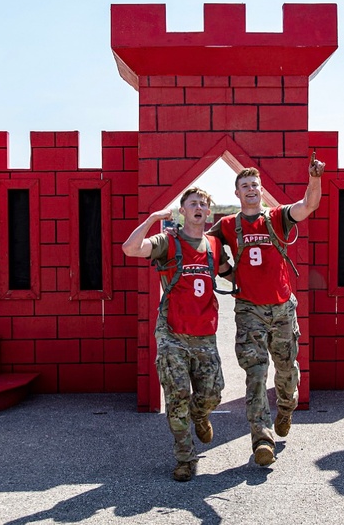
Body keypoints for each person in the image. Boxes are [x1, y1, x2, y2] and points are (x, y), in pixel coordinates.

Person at [206, 152, 325, 466]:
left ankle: (286, 408)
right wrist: (228, 272)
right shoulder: (228, 224)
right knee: (255, 376)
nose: (250, 189)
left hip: (283, 310)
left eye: (254, 184)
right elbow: (204, 247)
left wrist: (315, 178)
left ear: (261, 189)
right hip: (249, 311)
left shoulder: (277, 217)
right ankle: (262, 438)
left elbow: (308, 205)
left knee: (286, 372)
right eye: (244, 185)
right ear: (236, 192)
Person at [121, 186, 235, 482]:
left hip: (205, 333)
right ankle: (185, 457)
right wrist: (151, 220)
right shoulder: (167, 242)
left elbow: (231, 274)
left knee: (212, 394)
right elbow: (130, 248)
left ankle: (200, 415)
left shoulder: (213, 244)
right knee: (177, 396)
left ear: (208, 212)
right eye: (192, 203)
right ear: (183, 211)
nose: (198, 207)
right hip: (172, 332)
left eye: (203, 204)